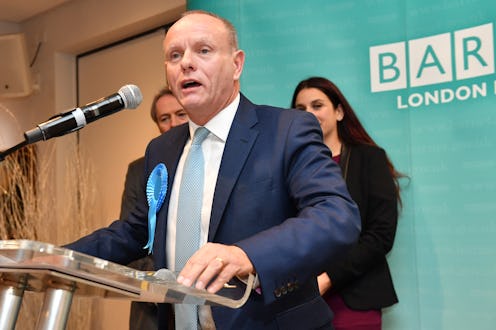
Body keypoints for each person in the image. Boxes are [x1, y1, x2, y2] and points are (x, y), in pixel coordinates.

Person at [65, 10, 361, 329]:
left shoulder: (286, 129)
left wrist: (247, 255)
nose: (186, 63)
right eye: (174, 55)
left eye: (203, 50)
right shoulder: (160, 149)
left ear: (237, 64)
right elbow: (137, 231)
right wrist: (52, 259)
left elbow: (336, 214)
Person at [291, 76, 402, 330]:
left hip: (355, 298)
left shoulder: (369, 159)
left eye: (317, 106)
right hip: (302, 301)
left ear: (339, 112)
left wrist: (329, 279)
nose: (308, 114)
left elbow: (381, 236)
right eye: (300, 110)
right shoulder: (289, 167)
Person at [121, 87, 188, 330]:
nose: (173, 123)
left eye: (181, 114)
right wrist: (166, 284)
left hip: (209, 302)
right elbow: (131, 238)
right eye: (164, 118)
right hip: (153, 308)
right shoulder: (140, 170)